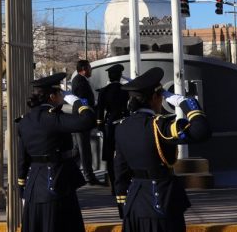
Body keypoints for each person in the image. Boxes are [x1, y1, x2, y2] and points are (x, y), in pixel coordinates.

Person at [112, 67, 211, 231]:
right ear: (154, 98)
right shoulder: (159, 125)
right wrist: (185, 102)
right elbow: (201, 131)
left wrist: (123, 205)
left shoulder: (121, 127)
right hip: (160, 202)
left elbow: (120, 171)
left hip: (134, 205)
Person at [17, 72, 96, 232]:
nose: (62, 96)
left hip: (34, 187)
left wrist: (22, 186)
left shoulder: (25, 120)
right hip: (57, 184)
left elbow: (22, 158)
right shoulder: (52, 118)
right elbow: (88, 120)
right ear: (52, 97)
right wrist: (78, 101)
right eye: (60, 93)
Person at [69, 60, 103, 186]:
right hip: (81, 118)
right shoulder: (79, 81)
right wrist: (90, 108)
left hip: (81, 117)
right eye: (89, 68)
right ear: (83, 69)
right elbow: (82, 100)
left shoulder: (81, 80)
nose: (91, 70)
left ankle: (72, 174)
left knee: (78, 149)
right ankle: (89, 176)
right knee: (84, 149)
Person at [95, 63, 129, 186]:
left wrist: (100, 125)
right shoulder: (126, 90)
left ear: (109, 77)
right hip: (124, 123)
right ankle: (124, 182)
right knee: (124, 152)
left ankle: (113, 184)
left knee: (110, 155)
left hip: (109, 124)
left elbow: (100, 110)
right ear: (120, 76)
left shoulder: (104, 91)